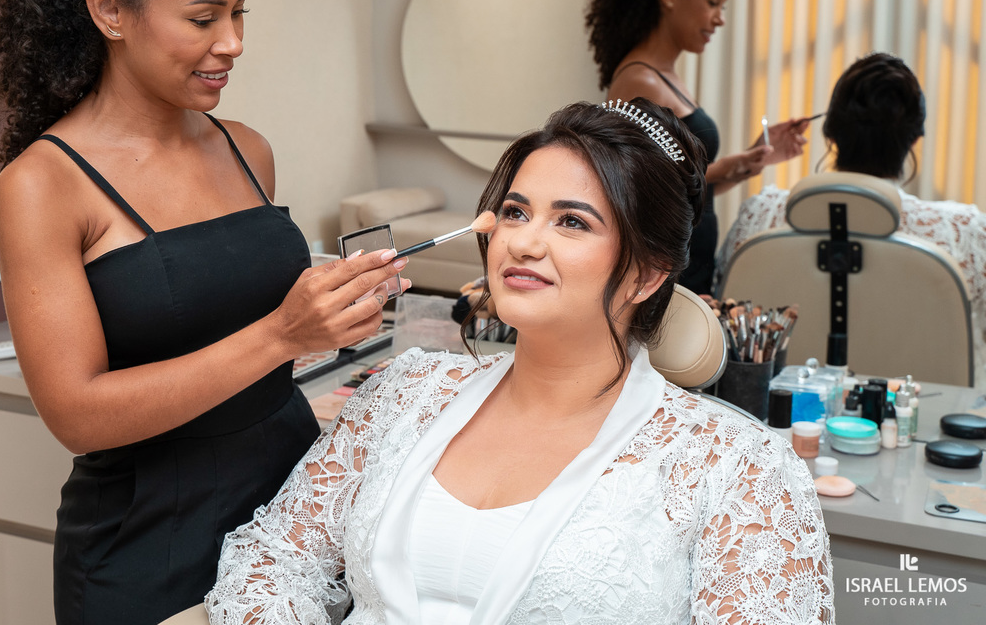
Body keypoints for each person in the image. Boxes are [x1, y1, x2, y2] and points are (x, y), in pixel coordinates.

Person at [0, 0, 409, 624]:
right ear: (108, 9)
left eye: (240, 13)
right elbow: (76, 413)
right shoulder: (44, 184)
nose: (232, 43)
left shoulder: (247, 149)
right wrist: (281, 335)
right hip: (148, 544)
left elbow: (239, 315)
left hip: (289, 514)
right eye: (203, 18)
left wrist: (333, 312)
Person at [207, 100, 834, 624]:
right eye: (514, 212)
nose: (523, 242)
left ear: (645, 274)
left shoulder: (738, 468)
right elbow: (273, 559)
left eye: (572, 222)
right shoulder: (405, 393)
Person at [716, 52, 986, 389]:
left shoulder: (760, 215)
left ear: (830, 134)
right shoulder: (964, 233)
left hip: (774, 421)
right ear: (915, 138)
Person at [585, 0, 812, 295]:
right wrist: (726, 167)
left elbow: (688, 185)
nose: (719, 19)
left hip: (688, 266)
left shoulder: (665, 78)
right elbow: (641, 190)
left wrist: (749, 161)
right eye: (713, 2)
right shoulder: (639, 82)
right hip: (666, 275)